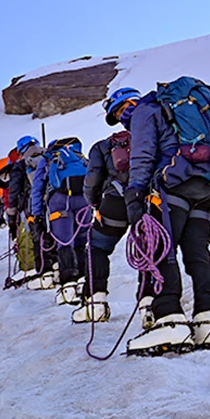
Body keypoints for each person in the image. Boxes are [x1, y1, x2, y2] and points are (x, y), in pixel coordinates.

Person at [112, 82, 210, 356]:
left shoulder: (145, 110)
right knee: (197, 252)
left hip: (173, 185)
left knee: (160, 249)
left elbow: (144, 155)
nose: (122, 119)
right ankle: (208, 320)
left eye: (120, 112)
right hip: (207, 185)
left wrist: (135, 193)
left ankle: (169, 319)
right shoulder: (180, 106)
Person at [75, 119, 135, 323]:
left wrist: (94, 203)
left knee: (97, 247)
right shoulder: (146, 138)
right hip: (146, 199)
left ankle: (96, 303)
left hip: (114, 203)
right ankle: (150, 305)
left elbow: (92, 179)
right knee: (149, 248)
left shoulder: (101, 147)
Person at [29, 137, 91, 306]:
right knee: (81, 241)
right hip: (84, 200)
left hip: (60, 202)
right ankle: (84, 279)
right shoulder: (79, 156)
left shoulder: (48, 159)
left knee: (64, 242)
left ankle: (69, 284)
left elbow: (37, 188)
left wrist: (37, 215)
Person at [14, 136, 58, 290]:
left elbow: (14, 189)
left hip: (32, 204)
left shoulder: (21, 165)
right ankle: (59, 268)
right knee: (56, 233)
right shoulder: (50, 155)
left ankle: (45, 274)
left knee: (38, 237)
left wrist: (13, 209)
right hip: (55, 200)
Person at [0, 153, 37, 287]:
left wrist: (11, 214)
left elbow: (11, 195)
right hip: (41, 204)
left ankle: (29, 267)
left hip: (25, 208)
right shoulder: (34, 163)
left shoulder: (16, 171)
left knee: (25, 236)